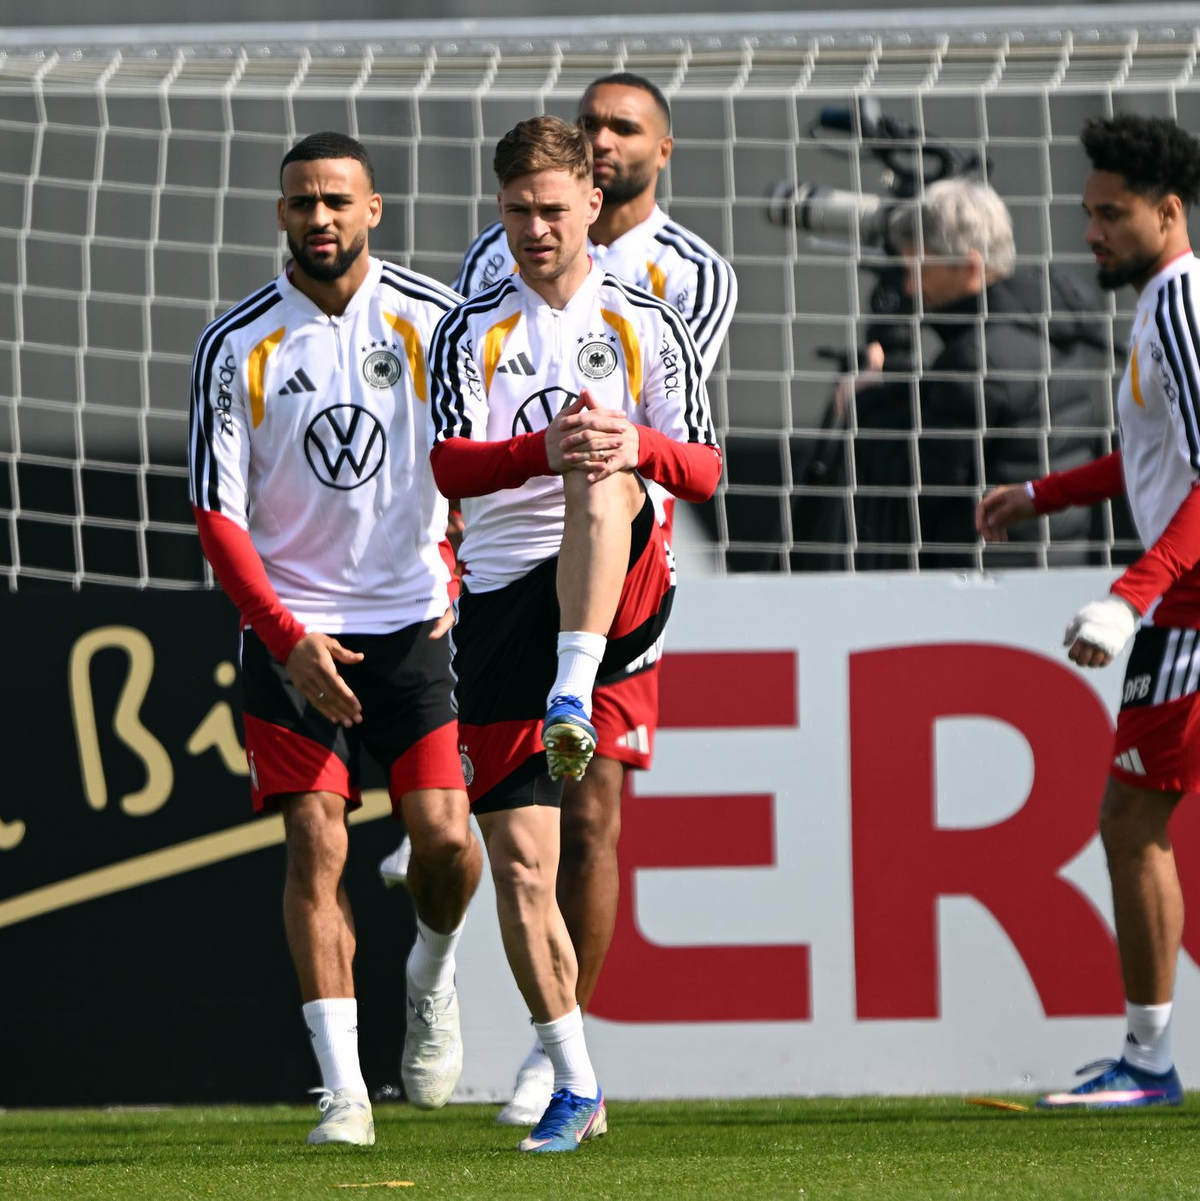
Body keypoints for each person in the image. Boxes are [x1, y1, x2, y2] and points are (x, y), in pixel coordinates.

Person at [381, 72, 739, 1127]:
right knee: (521, 866)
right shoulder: (468, 328)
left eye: (550, 208)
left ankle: (574, 689)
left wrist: (633, 442)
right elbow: (449, 466)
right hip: (501, 600)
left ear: (592, 198)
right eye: (515, 211)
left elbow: (704, 470)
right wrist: (539, 449)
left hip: (621, 592)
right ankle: (574, 1077)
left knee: (607, 470)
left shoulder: (648, 318)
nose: (534, 230)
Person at [187, 132, 482, 1144]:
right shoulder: (236, 344)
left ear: (373, 209)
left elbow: (480, 465)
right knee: (316, 843)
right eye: (302, 201)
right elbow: (217, 513)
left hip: (414, 625)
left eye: (337, 200)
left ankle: (432, 970)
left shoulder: (438, 321)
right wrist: (284, 636)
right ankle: (346, 1092)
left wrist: (463, 575)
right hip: (294, 637)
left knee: (446, 840)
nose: (320, 217)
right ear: (282, 214)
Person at [976, 113, 1200, 1108]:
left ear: (1168, 212)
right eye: (1089, 213)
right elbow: (1157, 459)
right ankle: (1146, 1056)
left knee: (1130, 819)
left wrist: (1132, 595)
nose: (1091, 233)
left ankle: (1149, 1061)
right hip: (1178, 599)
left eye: (1111, 215)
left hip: (1188, 609)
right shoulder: (1161, 306)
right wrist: (1043, 495)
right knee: (1131, 819)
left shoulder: (1183, 305)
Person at [847, 176, 1105, 570]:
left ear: (970, 266)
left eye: (919, 269)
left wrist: (865, 399)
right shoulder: (1048, 324)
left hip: (984, 578)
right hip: (1056, 564)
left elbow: (917, 480)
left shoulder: (977, 357)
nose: (909, 287)